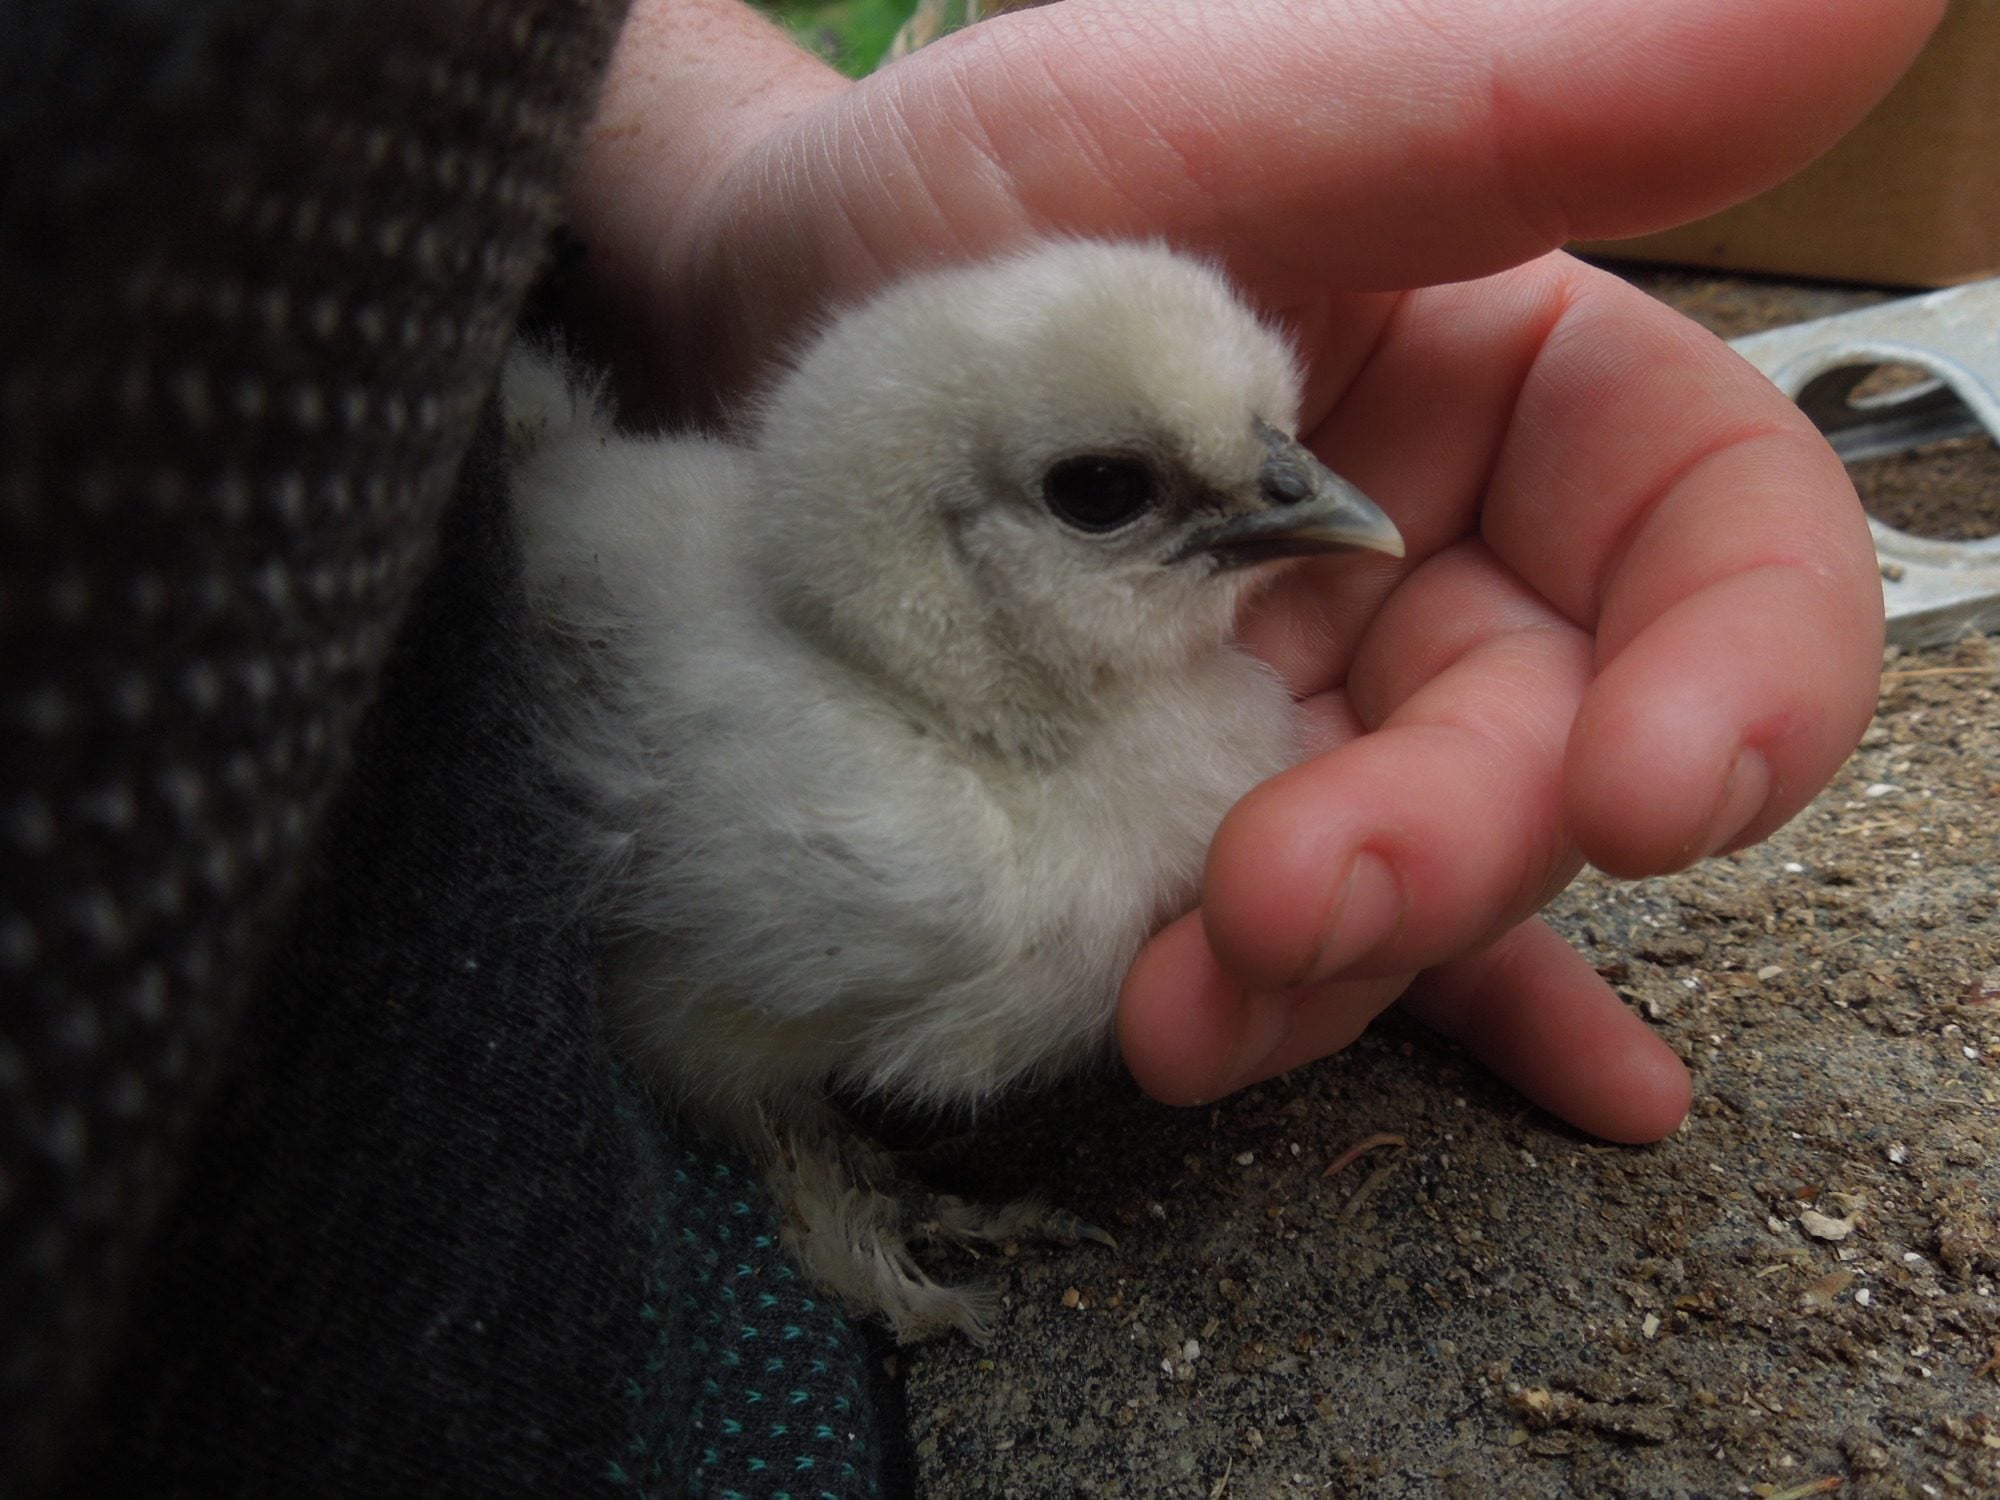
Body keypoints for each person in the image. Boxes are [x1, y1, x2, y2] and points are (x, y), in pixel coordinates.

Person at [0, 0, 1940, 1494]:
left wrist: (712, 168)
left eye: (1266, 449)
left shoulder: (1117, 705)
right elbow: (646, 969)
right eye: (1113, 492)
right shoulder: (895, 845)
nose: (1304, 504)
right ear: (929, 542)